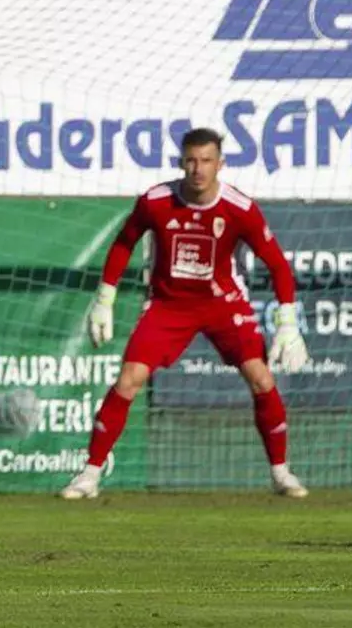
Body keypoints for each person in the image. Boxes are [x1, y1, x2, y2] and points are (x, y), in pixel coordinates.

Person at [60, 127, 310, 500]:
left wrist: (287, 323)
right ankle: (89, 475)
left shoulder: (239, 208)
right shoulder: (156, 201)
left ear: (220, 164)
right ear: (181, 163)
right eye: (191, 160)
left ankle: (281, 473)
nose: (198, 169)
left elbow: (277, 264)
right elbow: (124, 243)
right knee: (128, 380)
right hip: (168, 305)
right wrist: (104, 299)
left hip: (222, 303)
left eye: (206, 160)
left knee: (261, 378)